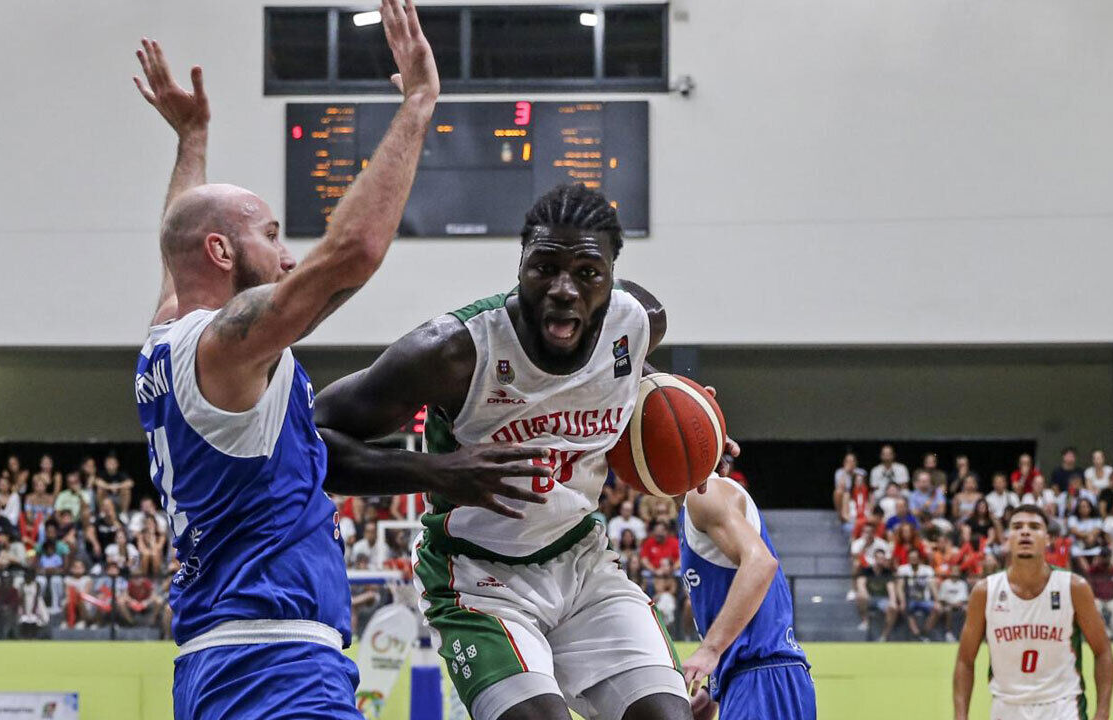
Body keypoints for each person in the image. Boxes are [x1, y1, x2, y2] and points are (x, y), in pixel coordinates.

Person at [131, 10, 540, 719]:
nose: (287, 255)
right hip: (275, 663)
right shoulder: (225, 347)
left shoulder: (166, 337)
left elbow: (180, 243)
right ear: (224, 256)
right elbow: (351, 255)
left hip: (212, 661)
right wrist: (417, 106)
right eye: (271, 235)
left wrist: (192, 140)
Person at [309, 189, 741, 716]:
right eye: (545, 268)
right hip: (478, 579)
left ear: (610, 278)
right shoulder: (453, 351)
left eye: (587, 272)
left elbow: (621, 377)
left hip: (582, 563)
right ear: (520, 265)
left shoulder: (639, 323)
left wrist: (691, 424)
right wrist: (435, 471)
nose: (564, 289)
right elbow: (308, 439)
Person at [953, 505, 1113, 720]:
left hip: (1063, 707)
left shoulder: (1073, 587)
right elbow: (965, 660)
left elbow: (1103, 651)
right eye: (1017, 527)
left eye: (1034, 527)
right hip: (1006, 707)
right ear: (1008, 538)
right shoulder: (985, 591)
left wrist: (1102, 713)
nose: (1025, 532)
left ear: (1048, 539)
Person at [678, 471, 815, 720]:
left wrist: (710, 649)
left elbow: (760, 563)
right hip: (760, 679)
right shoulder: (700, 503)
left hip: (761, 680)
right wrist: (713, 689)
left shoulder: (704, 494)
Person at [896, 548, 941, 641]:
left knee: (938, 609)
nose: (913, 560)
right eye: (911, 558)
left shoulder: (927, 570)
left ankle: (924, 632)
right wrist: (902, 601)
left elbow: (933, 586)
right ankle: (916, 634)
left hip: (925, 600)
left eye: (915, 558)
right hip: (910, 600)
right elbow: (899, 587)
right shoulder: (903, 569)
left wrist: (937, 601)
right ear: (908, 559)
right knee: (905, 608)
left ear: (919, 559)